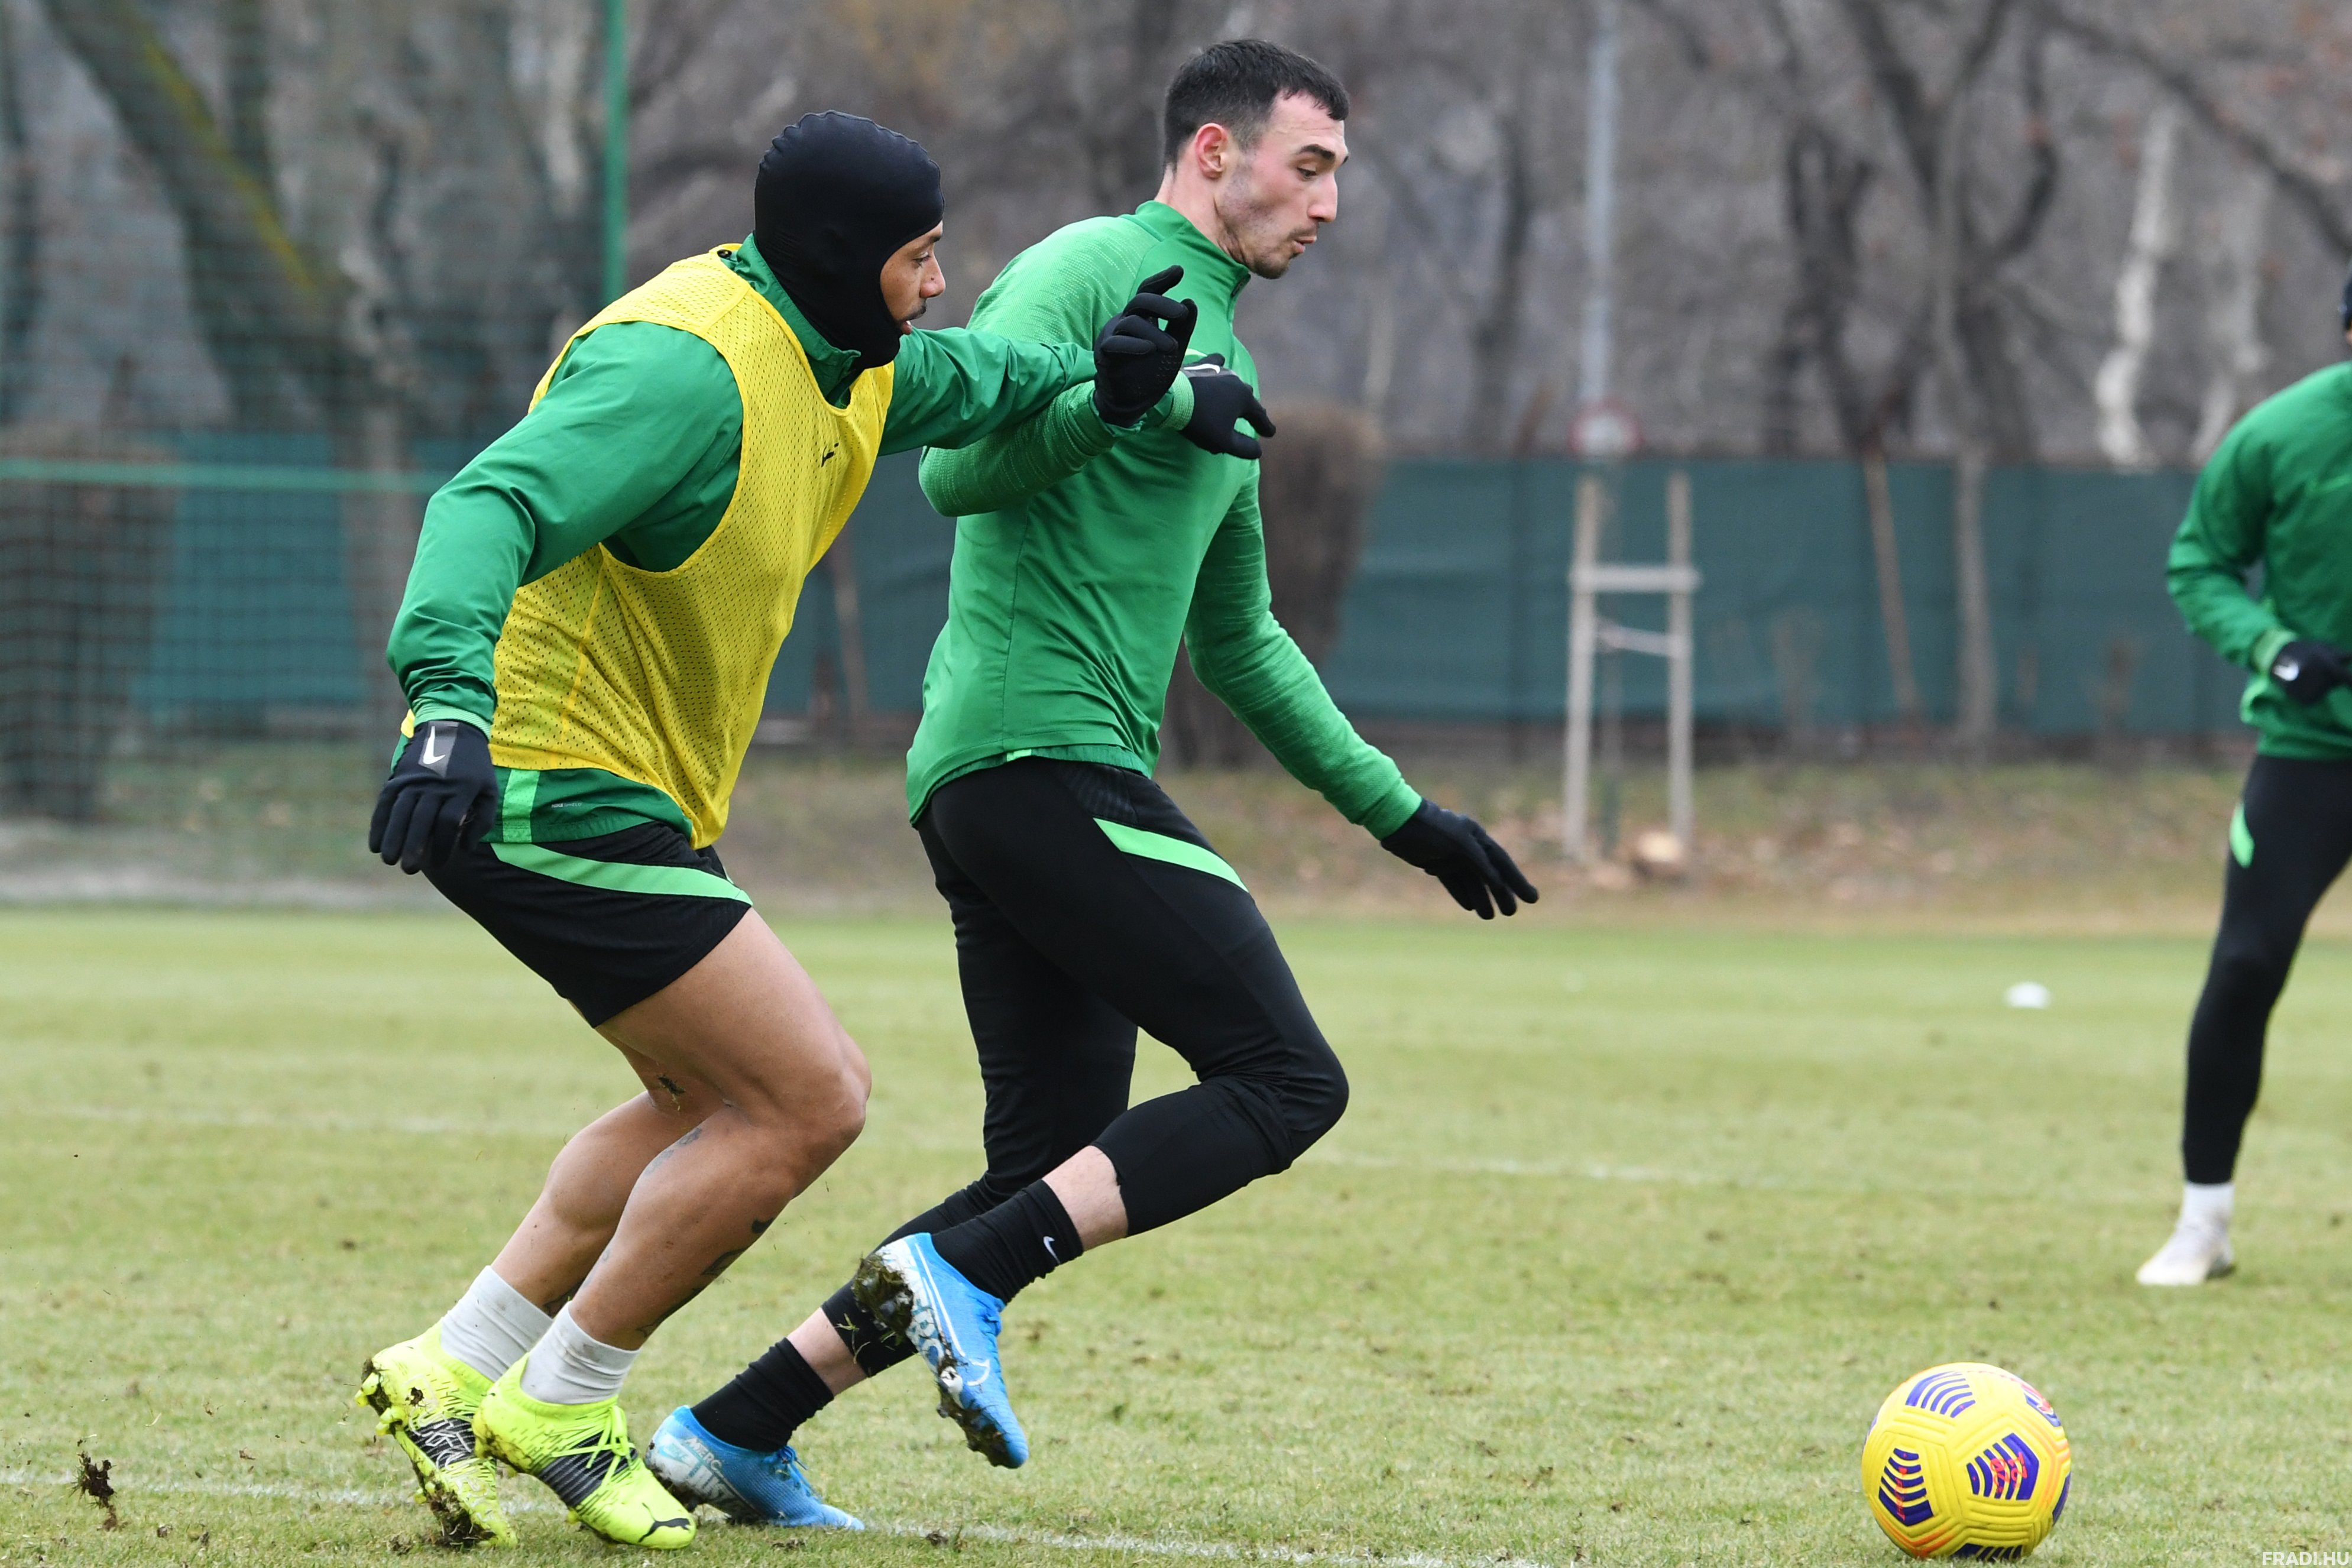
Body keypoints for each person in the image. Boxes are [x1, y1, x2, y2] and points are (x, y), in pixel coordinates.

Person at [647, 40, 1537, 1528]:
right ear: (1215, 154)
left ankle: (733, 1431)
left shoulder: (1234, 359)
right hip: (1029, 754)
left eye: (1338, 176)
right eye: (1310, 167)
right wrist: (1114, 404)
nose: (1330, 204)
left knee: (1045, 1173)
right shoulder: (1082, 269)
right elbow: (948, 473)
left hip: (1041, 779)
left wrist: (1404, 817)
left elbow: (1241, 643)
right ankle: (960, 1282)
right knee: (1286, 1081)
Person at [354, 111, 1230, 1550]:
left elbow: (985, 380)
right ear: (839, 256)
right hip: (539, 784)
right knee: (812, 1097)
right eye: (920, 256)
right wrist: (448, 704)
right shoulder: (687, 364)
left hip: (620, 793)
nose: (939, 282)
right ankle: (565, 1401)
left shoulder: (848, 356)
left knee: (705, 1103)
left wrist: (1135, 386)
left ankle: (452, 1366)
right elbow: (488, 501)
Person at [2136, 261, 2352, 1287]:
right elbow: (2199, 565)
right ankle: (2203, 1222)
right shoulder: (2279, 434)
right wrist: (2272, 647)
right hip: (2312, 755)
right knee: (2244, 967)